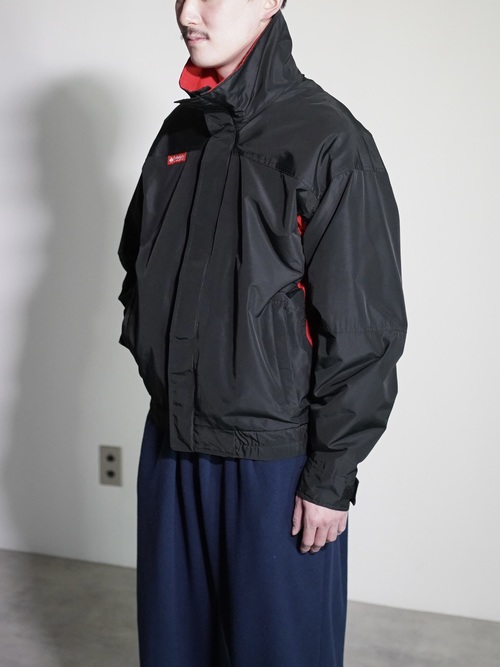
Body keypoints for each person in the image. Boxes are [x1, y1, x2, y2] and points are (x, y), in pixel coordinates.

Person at [118, 1, 407, 665]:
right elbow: (140, 267)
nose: (189, 11)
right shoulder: (179, 134)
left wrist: (329, 477)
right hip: (171, 445)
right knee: (174, 651)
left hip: (274, 462)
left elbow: (363, 327)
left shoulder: (328, 139)